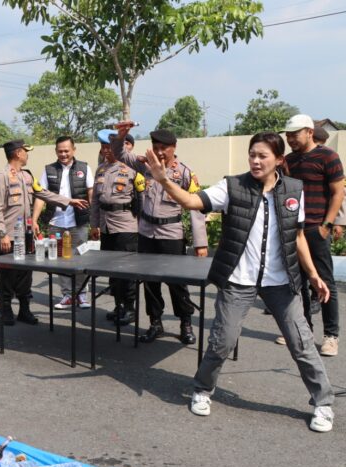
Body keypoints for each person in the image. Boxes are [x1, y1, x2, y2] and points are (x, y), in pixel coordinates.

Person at [144, 132, 336, 432]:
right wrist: (164, 180)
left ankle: (323, 403)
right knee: (222, 341)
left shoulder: (294, 190)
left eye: (263, 156)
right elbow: (193, 201)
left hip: (281, 282)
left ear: (279, 160)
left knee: (302, 344)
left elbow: (298, 237)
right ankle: (202, 389)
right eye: (252, 155)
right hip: (239, 280)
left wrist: (313, 275)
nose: (256, 161)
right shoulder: (232, 186)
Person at [113, 124, 207, 345]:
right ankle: (155, 322)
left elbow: (196, 207)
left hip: (171, 234)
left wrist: (200, 242)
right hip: (146, 233)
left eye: (164, 148)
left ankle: (185, 322)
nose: (160, 152)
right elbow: (119, 153)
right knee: (150, 282)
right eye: (156, 147)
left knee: (177, 282)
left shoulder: (184, 172)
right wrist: (121, 135)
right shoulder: (145, 166)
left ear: (174, 148)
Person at [0, 139, 88, 325]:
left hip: (24, 237)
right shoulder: (1, 177)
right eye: (26, 151)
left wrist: (69, 201)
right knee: (7, 276)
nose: (28, 154)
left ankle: (24, 310)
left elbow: (43, 193)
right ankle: (5, 311)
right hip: (8, 237)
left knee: (25, 276)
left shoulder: (27, 176)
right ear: (18, 153)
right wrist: (1, 233)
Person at [282, 114, 344, 357]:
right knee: (296, 283)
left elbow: (338, 192)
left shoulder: (329, 156)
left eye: (294, 134)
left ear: (309, 131)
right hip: (292, 230)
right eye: (287, 135)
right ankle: (304, 329)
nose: (290, 139)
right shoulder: (288, 160)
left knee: (324, 282)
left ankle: (331, 336)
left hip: (316, 229)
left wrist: (326, 225)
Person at [32, 135, 94, 310]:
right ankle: (67, 295)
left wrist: (94, 220)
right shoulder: (48, 169)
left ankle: (81, 294)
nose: (64, 154)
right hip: (56, 222)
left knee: (80, 258)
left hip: (79, 222)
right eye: (60, 151)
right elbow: (40, 196)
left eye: (67, 150)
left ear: (74, 150)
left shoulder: (84, 168)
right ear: (56, 152)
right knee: (60, 259)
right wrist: (35, 220)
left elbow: (91, 194)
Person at [90, 130, 142, 325]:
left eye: (109, 146)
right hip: (106, 227)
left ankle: (130, 308)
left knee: (126, 270)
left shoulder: (132, 169)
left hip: (126, 225)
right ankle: (118, 304)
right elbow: (95, 200)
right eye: (103, 147)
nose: (106, 150)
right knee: (112, 270)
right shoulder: (100, 170)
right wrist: (94, 224)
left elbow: (142, 198)